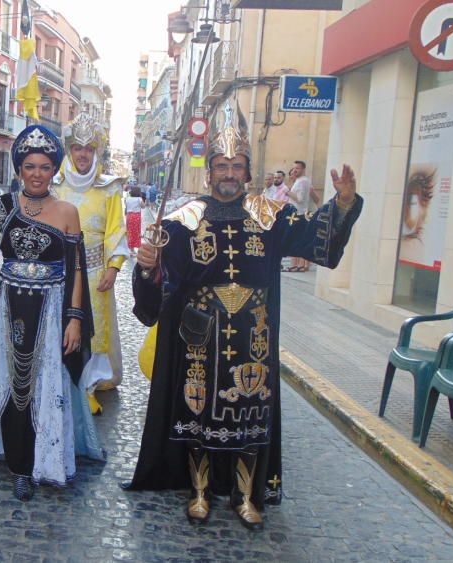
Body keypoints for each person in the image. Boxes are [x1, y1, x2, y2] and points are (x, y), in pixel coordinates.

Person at [122, 98, 362, 530]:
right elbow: (160, 284)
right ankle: (198, 491)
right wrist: (148, 265)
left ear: (248, 172)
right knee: (198, 410)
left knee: (251, 411)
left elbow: (316, 243)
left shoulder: (271, 215)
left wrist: (342, 205)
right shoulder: (182, 220)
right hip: (199, 332)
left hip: (254, 331)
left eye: (237, 165)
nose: (229, 173)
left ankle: (244, 493)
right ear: (209, 171)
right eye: (221, 165)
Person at [0, 124, 104, 501]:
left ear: (54, 169)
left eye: (44, 167)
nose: (37, 174)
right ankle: (19, 465)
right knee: (12, 384)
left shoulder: (67, 212)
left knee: (46, 385)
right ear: (19, 169)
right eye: (29, 166)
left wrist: (74, 318)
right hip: (9, 307)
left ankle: (47, 458)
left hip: (52, 309)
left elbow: (75, 270)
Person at [51, 112, 130, 415]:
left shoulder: (109, 188)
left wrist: (113, 266)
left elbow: (116, 229)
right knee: (61, 325)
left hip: (96, 270)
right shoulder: (55, 186)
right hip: (60, 271)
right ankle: (60, 379)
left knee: (94, 331)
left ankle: (90, 384)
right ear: (69, 151)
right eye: (77, 148)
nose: (82, 154)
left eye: (88, 149)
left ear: (96, 152)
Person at [287, 161, 314, 272]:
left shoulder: (303, 181)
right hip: (296, 213)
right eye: (293, 168)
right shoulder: (300, 181)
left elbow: (300, 199)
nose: (294, 170)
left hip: (299, 214)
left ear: (303, 169)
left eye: (297, 168)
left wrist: (288, 192)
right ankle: (297, 265)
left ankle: (300, 265)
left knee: (297, 240)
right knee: (296, 240)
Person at [124, 186, 146, 253]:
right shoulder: (139, 199)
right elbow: (143, 207)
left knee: (129, 232)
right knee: (136, 232)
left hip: (129, 216)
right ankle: (132, 249)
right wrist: (145, 201)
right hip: (136, 216)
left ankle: (130, 247)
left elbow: (126, 207)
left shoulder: (127, 199)